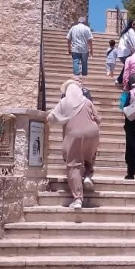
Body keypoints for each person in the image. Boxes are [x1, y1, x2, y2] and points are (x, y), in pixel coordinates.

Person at [47, 79, 100, 210]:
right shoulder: (87, 102)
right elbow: (98, 118)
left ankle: (77, 199)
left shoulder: (64, 102)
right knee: (88, 155)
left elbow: (51, 118)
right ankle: (87, 175)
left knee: (73, 165)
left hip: (74, 136)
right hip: (93, 133)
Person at [116, 20, 135, 85]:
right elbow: (134, 42)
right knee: (130, 65)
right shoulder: (131, 31)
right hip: (125, 52)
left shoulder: (125, 32)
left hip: (121, 52)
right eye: (133, 24)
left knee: (127, 65)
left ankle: (120, 80)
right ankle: (122, 80)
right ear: (130, 24)